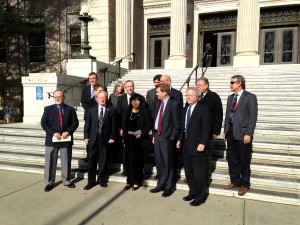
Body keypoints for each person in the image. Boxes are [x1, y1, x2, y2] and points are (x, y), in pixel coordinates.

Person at [224, 75, 258, 196]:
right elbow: (228, 115)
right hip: (231, 132)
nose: (230, 84)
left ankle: (244, 184)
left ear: (239, 83)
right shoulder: (230, 98)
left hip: (243, 133)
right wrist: (225, 131)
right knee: (232, 159)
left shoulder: (250, 97)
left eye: (232, 82)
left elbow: (253, 117)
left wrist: (249, 133)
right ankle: (235, 181)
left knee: (244, 160)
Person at [176, 87, 210, 206]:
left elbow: (206, 128)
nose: (188, 97)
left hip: (198, 146)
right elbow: (183, 127)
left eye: (190, 95)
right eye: (187, 95)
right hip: (185, 145)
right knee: (189, 172)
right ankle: (192, 192)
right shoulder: (186, 109)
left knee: (198, 173)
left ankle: (201, 196)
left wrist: (203, 143)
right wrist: (180, 140)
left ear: (197, 96)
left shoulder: (203, 109)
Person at [41, 90, 79, 192]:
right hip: (52, 139)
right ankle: (49, 182)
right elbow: (44, 123)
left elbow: (75, 123)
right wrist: (53, 133)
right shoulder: (48, 109)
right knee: (50, 162)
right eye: (56, 97)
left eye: (60, 96)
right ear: (53, 98)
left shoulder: (70, 109)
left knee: (66, 161)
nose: (58, 98)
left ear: (63, 97)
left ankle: (66, 180)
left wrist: (68, 131)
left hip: (65, 139)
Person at [150, 83, 181, 197]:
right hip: (157, 136)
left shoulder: (174, 104)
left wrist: (172, 137)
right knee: (159, 162)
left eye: (158, 92)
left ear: (164, 92)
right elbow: (156, 119)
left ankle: (169, 186)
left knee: (168, 163)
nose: (156, 94)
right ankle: (161, 184)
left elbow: (177, 124)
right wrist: (154, 134)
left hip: (167, 138)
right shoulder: (159, 102)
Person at [83, 91, 117, 190]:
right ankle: (91, 181)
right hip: (93, 139)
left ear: (106, 99)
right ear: (97, 99)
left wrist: (112, 137)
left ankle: (102, 180)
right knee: (92, 160)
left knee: (103, 160)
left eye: (104, 97)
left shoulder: (111, 110)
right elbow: (87, 125)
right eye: (100, 97)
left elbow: (114, 126)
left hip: (105, 139)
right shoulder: (91, 110)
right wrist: (86, 136)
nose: (102, 99)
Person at [196, 77, 223, 186]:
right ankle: (195, 177)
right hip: (195, 132)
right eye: (197, 84)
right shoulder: (195, 96)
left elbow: (218, 114)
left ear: (206, 86)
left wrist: (216, 131)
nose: (198, 86)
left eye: (200, 85)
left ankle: (206, 178)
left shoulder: (214, 97)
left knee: (206, 157)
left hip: (208, 132)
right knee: (195, 157)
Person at [123, 93, 151, 191]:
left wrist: (141, 133)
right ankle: (129, 181)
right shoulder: (127, 111)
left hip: (140, 142)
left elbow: (148, 126)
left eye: (138, 100)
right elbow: (124, 125)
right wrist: (124, 137)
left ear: (141, 101)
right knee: (129, 162)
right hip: (129, 141)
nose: (136, 102)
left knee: (138, 163)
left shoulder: (145, 112)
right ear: (131, 101)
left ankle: (136, 182)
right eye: (134, 100)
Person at [117, 80, 144, 176]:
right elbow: (118, 114)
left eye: (131, 86)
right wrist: (120, 128)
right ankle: (126, 169)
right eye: (128, 86)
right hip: (125, 129)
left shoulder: (140, 98)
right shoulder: (121, 99)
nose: (130, 88)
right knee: (125, 151)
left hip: (136, 129)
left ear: (134, 87)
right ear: (125, 87)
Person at [81, 72, 100, 162]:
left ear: (97, 79)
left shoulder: (102, 88)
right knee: (88, 135)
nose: (92, 80)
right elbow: (83, 102)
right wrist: (89, 111)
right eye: (90, 78)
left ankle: (98, 156)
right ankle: (89, 156)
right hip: (89, 115)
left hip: (99, 115)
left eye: (94, 78)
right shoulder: (85, 89)